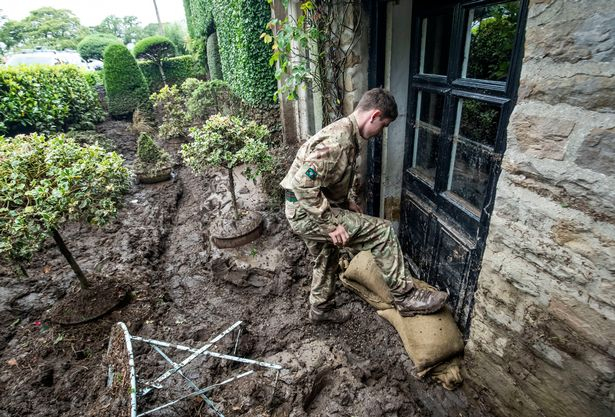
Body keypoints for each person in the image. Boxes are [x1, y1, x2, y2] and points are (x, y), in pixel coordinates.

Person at [281, 88, 448, 323]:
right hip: (304, 211)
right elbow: (302, 185)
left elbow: (330, 176)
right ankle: (405, 296)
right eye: (384, 125)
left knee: (328, 253)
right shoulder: (337, 142)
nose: (381, 132)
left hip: (303, 208)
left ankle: (320, 309)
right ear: (374, 115)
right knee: (382, 231)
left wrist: (346, 200)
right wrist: (331, 224)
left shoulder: (347, 132)